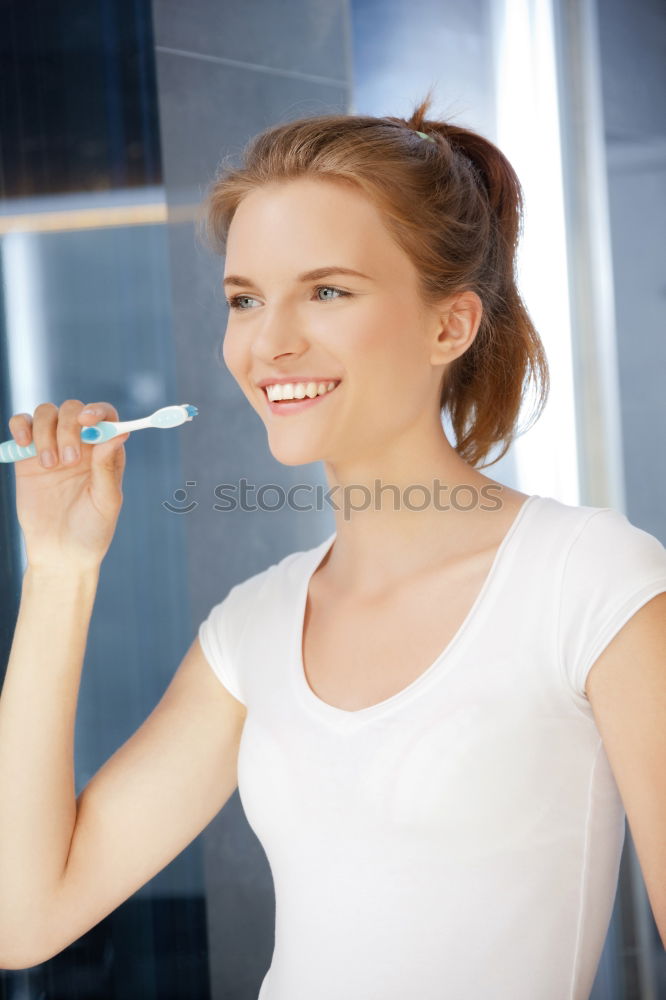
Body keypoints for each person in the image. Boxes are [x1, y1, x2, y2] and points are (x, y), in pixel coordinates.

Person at [1, 94, 665, 998]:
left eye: (327, 291)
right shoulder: (253, 631)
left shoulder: (593, 586)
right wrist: (60, 569)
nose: (270, 342)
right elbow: (21, 917)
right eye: (245, 299)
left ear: (450, 325)